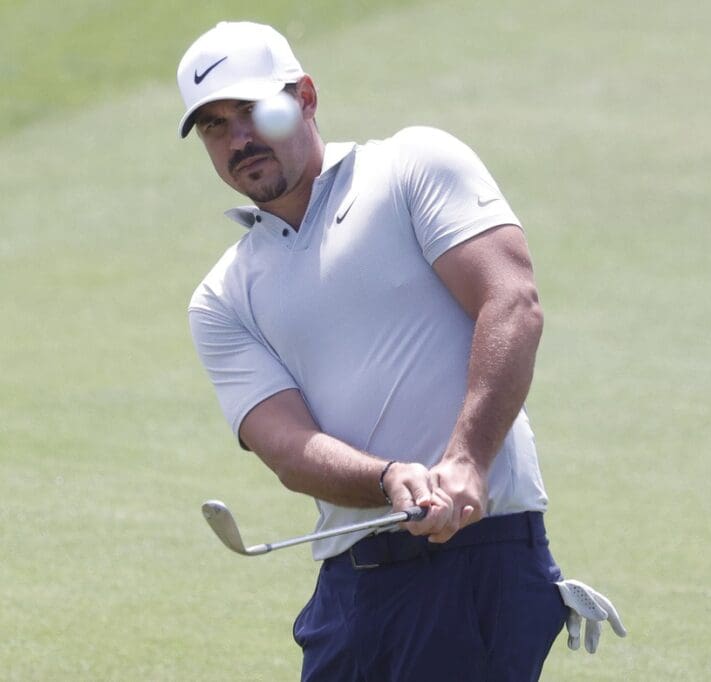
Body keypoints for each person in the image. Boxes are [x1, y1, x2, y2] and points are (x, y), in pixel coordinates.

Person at [176, 21, 624, 681]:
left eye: (252, 110)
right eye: (214, 126)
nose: (238, 138)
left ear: (304, 97)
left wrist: (465, 461)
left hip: (477, 561)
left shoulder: (410, 166)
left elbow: (510, 302)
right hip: (349, 593)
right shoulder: (222, 297)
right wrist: (389, 478)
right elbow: (287, 448)